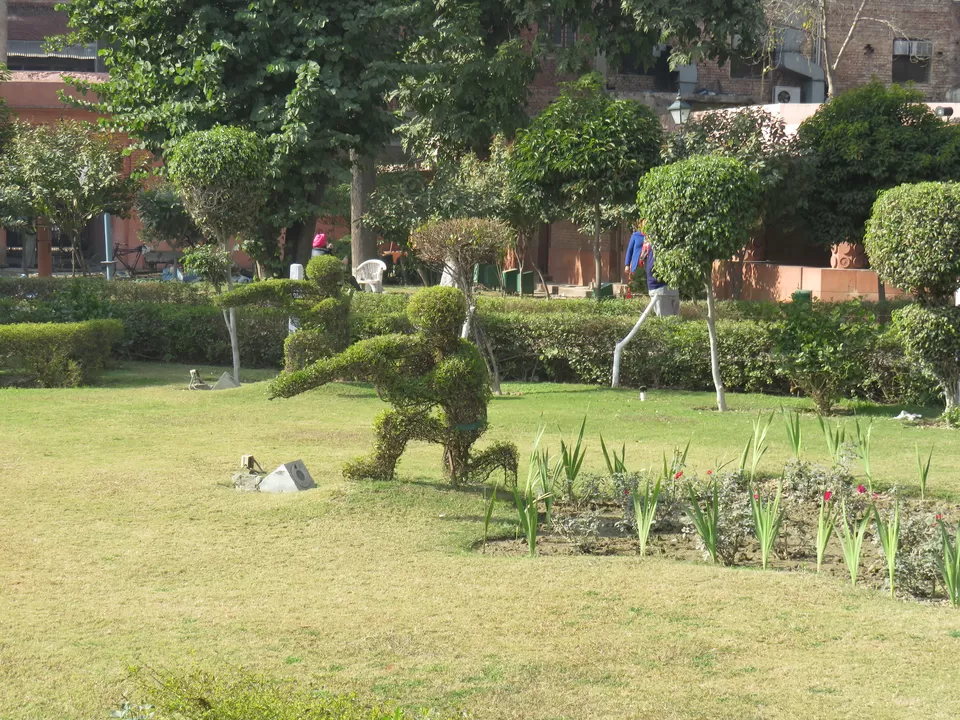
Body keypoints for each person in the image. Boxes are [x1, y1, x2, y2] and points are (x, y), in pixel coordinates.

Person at [623, 219, 680, 317]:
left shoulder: (653, 237)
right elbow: (630, 250)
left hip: (649, 266)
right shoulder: (636, 235)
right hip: (638, 264)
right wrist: (627, 264)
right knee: (636, 285)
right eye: (644, 223)